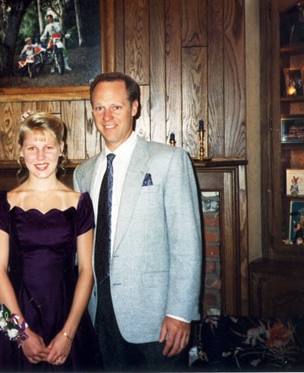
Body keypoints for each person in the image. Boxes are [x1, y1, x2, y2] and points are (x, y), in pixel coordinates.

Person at [73, 72, 202, 371]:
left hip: (158, 322)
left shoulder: (169, 161)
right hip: (99, 316)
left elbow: (187, 244)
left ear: (134, 107)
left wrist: (180, 313)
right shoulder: (83, 173)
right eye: (99, 108)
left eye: (116, 107)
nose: (107, 116)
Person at [0, 112, 101, 371]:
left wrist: (68, 334)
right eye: (32, 148)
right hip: (14, 313)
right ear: (21, 152)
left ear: (61, 148)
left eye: (48, 147)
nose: (41, 156)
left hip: (66, 315)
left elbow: (86, 271)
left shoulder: (80, 202)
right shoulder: (5, 202)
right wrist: (21, 334)